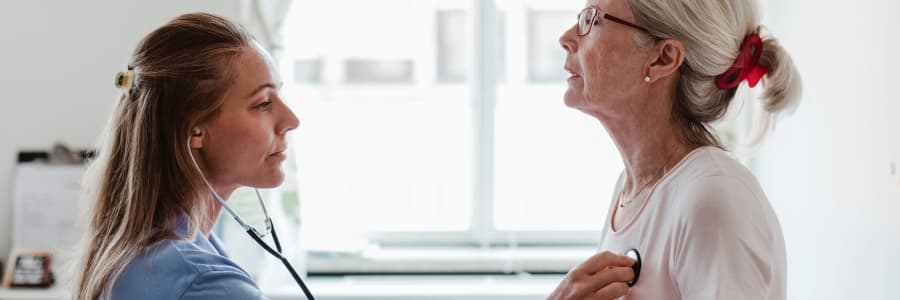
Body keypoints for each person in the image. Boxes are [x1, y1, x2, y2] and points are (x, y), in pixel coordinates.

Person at [549, 0, 801, 299]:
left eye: (592, 20)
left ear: (662, 59)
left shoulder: (714, 199)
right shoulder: (631, 190)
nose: (566, 38)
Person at [74, 13, 299, 299]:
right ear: (193, 130)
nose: (291, 120)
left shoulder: (143, 250)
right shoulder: (204, 281)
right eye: (263, 103)